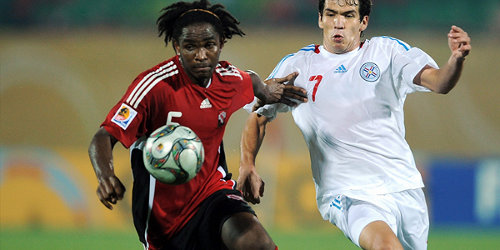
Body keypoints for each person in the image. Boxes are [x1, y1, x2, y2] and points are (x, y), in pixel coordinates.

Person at [237, 0, 471, 249]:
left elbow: (439, 83)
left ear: (363, 22)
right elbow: (258, 116)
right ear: (320, 19)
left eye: (348, 15)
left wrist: (456, 59)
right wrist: (247, 165)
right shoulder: (299, 66)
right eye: (331, 14)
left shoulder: (387, 52)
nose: (338, 22)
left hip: (404, 188)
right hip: (348, 193)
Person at [88, 1, 307, 249]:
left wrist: (268, 92)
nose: (201, 55)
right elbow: (104, 136)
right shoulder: (154, 87)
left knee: (256, 242)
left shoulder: (228, 80)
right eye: (190, 47)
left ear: (221, 44)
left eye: (209, 45)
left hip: (213, 193)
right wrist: (105, 175)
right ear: (177, 46)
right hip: (163, 218)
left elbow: (252, 81)